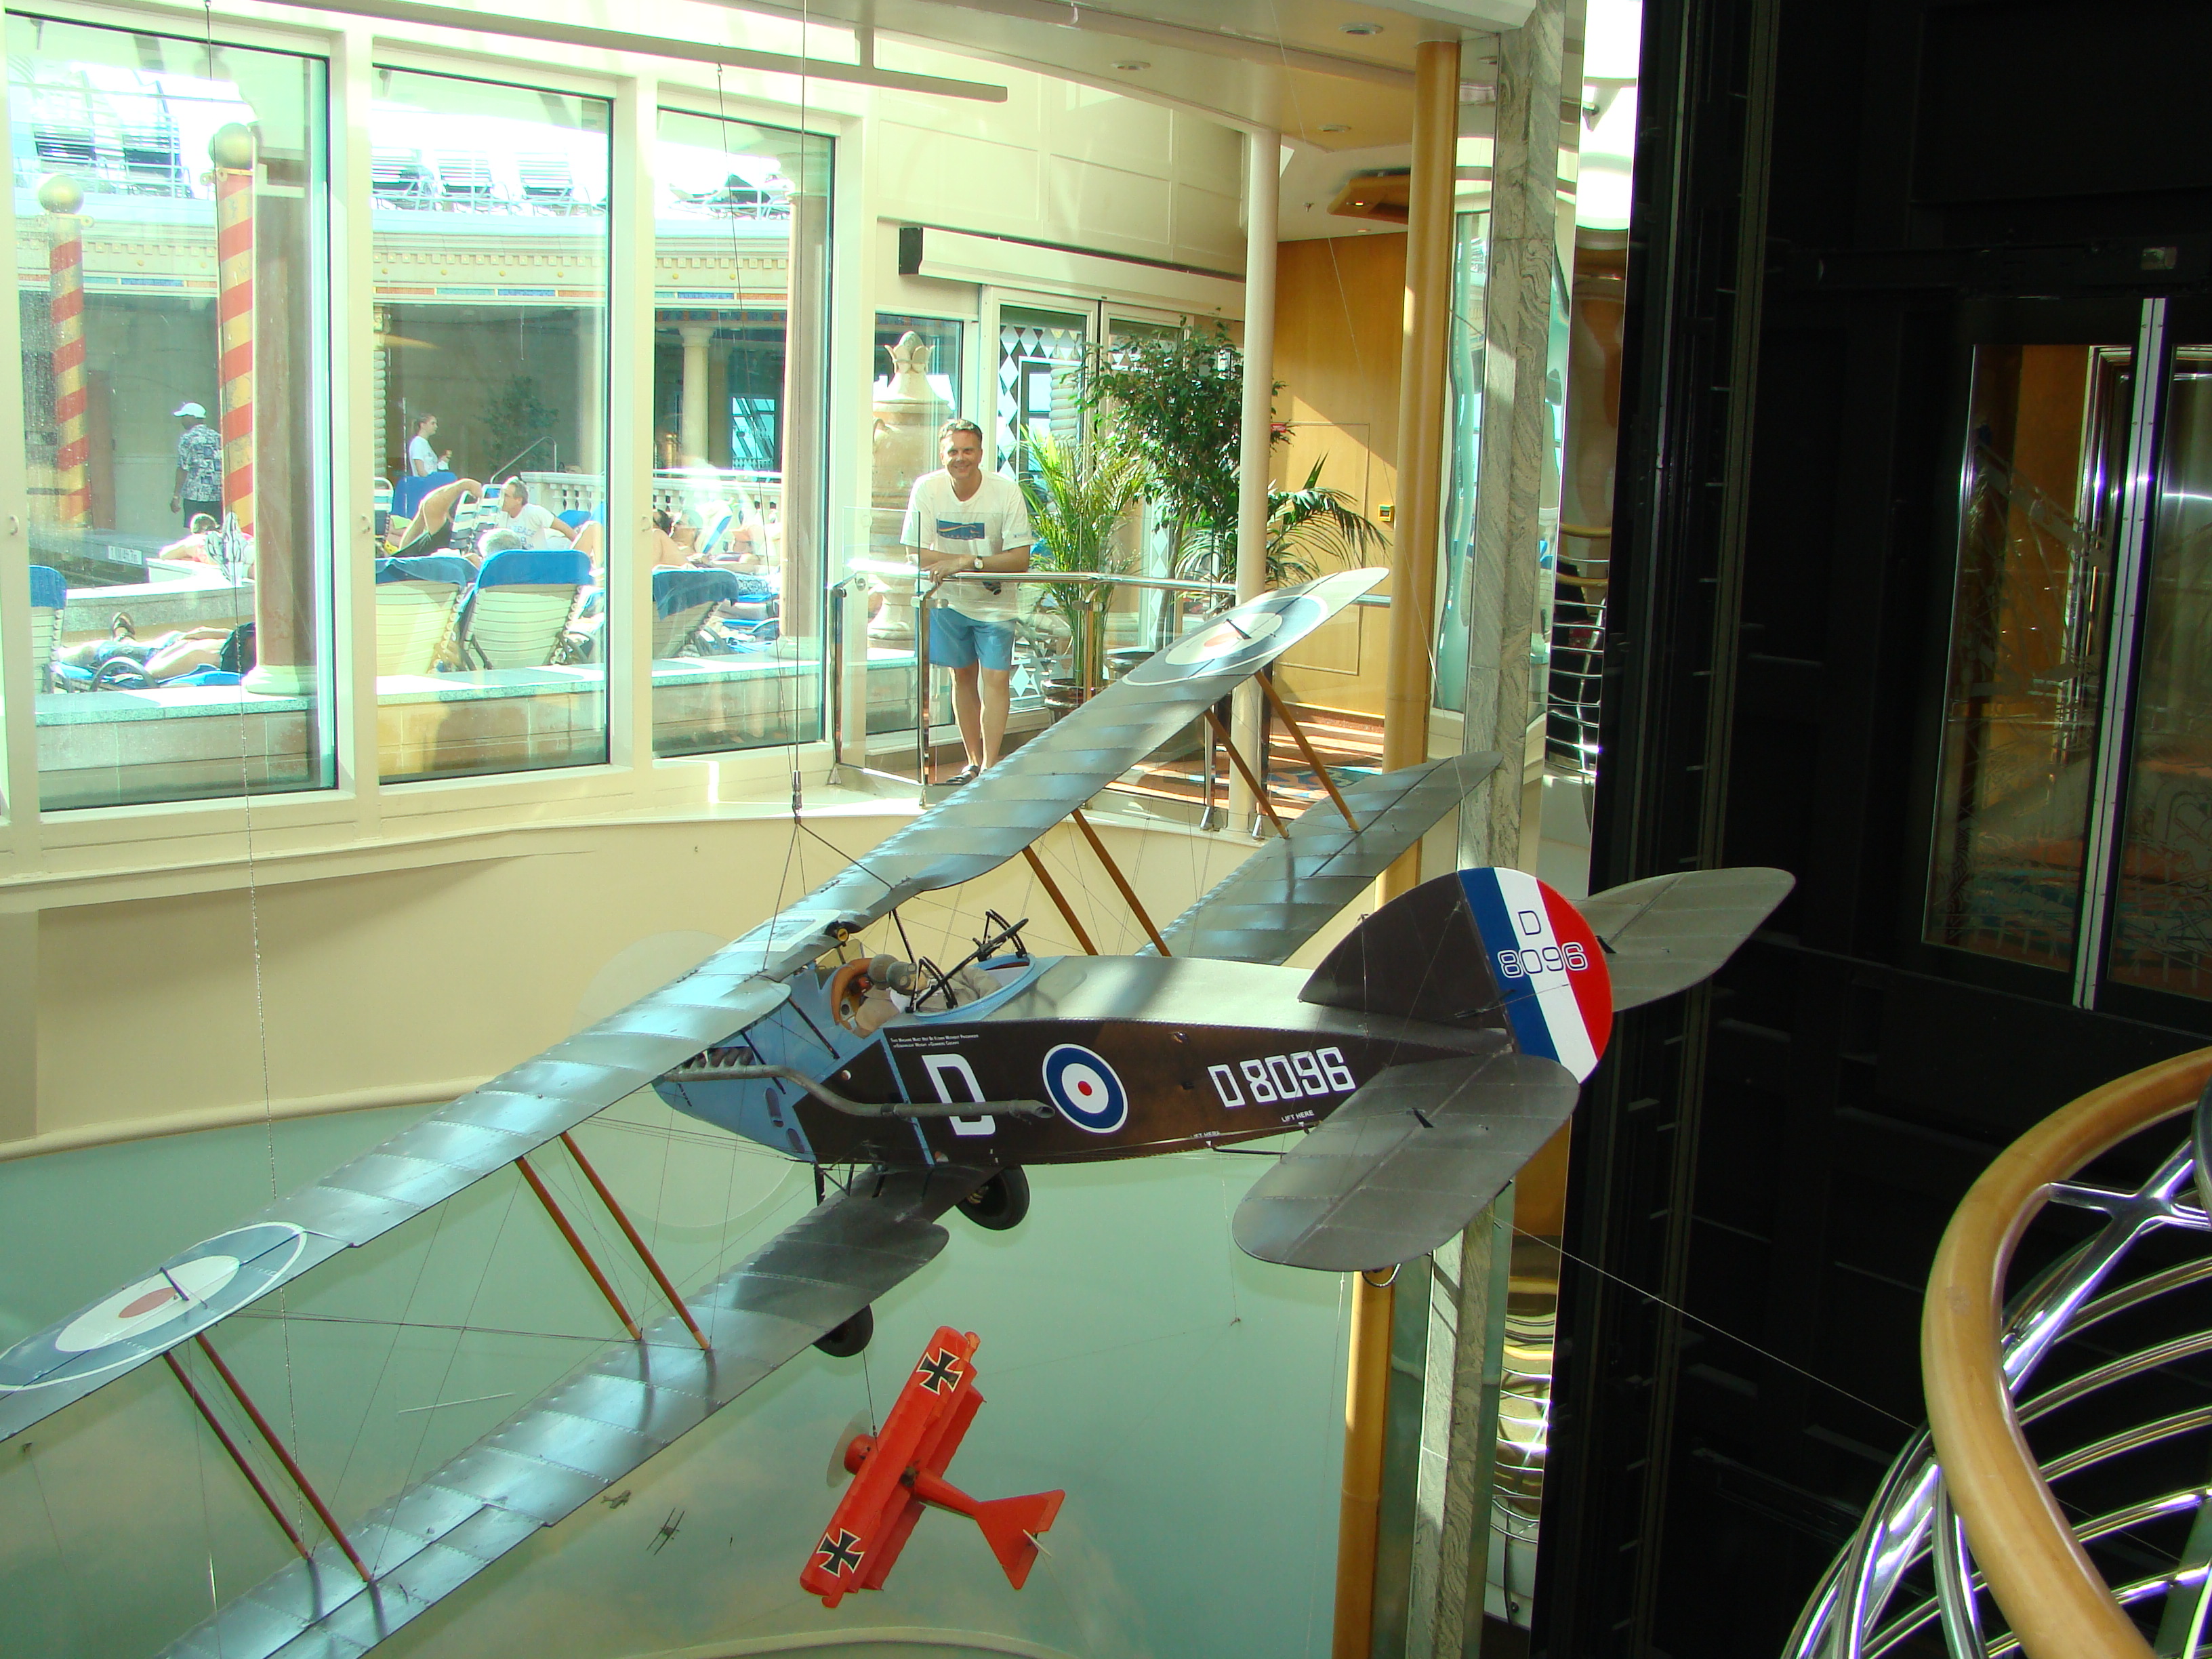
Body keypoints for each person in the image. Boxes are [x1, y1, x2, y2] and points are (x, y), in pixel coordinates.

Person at [901, 418, 1032, 784]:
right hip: (948, 601)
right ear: (943, 454)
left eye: (968, 450)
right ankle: (973, 763)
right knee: (962, 677)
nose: (961, 458)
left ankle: (991, 766)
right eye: (953, 451)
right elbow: (915, 552)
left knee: (996, 678)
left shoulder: (1005, 492)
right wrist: (967, 563)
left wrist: (967, 562)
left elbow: (1019, 559)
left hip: (996, 602)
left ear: (981, 453)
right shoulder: (927, 488)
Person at [54, 615, 231, 683]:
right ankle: (125, 639)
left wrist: (183, 644)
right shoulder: (240, 647)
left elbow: (152, 669)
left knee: (91, 651)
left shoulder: (205, 656)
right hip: (178, 647)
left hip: (161, 657)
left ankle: (54, 654)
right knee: (171, 636)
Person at [386, 477, 485, 559]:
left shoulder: (444, 534)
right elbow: (405, 551)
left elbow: (430, 504)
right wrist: (421, 514)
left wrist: (463, 485)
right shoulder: (469, 538)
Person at [480, 478, 577, 555]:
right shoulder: (500, 515)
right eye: (501, 495)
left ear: (519, 500)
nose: (502, 499)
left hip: (536, 560)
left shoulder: (535, 512)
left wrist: (580, 553)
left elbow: (564, 528)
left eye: (506, 496)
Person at [169, 403, 222, 528]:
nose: (182, 421)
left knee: (197, 531)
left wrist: (176, 496)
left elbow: (183, 469)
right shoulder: (218, 437)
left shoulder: (188, 439)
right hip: (217, 495)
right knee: (216, 530)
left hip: (195, 496)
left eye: (184, 417)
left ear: (192, 418)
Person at [406, 414, 449, 478]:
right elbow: (421, 471)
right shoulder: (418, 443)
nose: (436, 427)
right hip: (424, 482)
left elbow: (429, 466)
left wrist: (440, 461)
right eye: (433, 423)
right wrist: (432, 480)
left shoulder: (425, 443)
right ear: (423, 425)